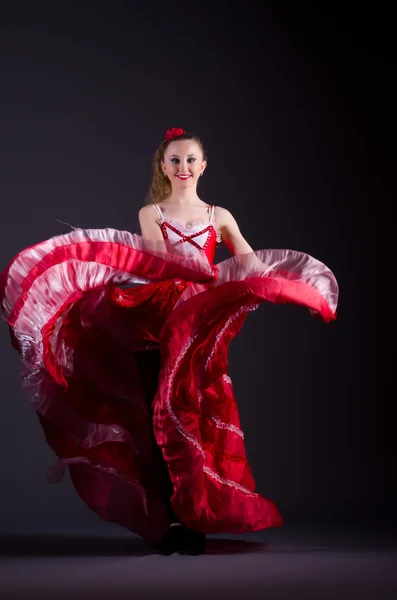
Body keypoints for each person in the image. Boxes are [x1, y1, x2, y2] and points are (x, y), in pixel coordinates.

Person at [0, 127, 338, 556]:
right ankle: (175, 521)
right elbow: (160, 263)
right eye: (174, 161)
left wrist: (299, 293)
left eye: (190, 160)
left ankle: (193, 514)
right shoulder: (152, 213)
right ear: (163, 166)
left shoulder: (221, 216)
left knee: (189, 413)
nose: (183, 168)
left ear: (204, 166)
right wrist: (198, 272)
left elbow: (253, 265)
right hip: (153, 324)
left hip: (196, 328)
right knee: (157, 416)